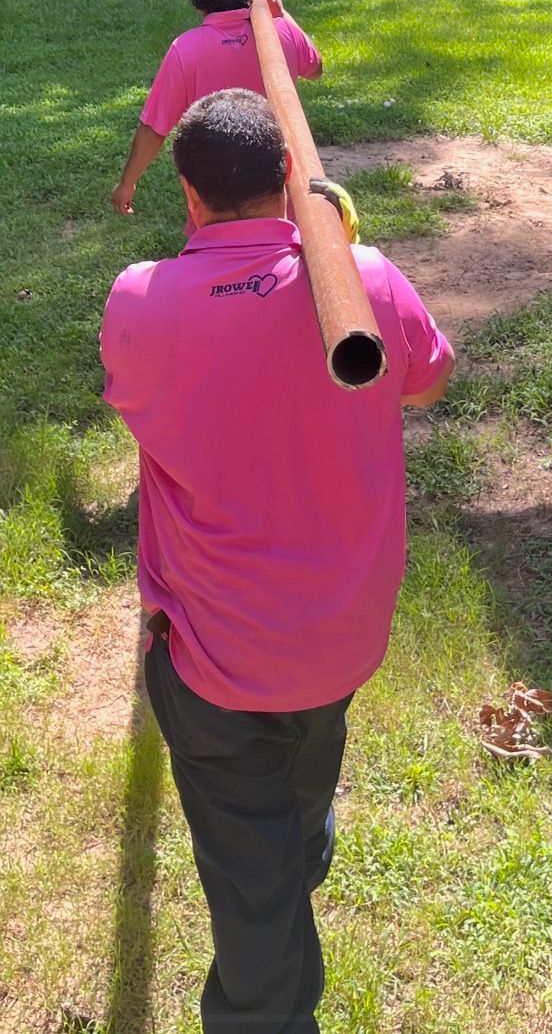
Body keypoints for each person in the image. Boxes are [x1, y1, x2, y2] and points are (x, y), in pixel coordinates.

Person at [100, 89, 454, 1034]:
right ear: (292, 176)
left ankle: (264, 1000)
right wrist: (339, 249)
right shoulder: (367, 280)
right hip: (341, 639)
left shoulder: (140, 301)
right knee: (296, 804)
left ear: (188, 193)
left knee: (256, 894)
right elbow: (428, 383)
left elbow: (136, 396)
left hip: (213, 660)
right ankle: (289, 879)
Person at [111, 0, 322, 220]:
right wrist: (282, 14)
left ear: (198, 2)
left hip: (215, 192)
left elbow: (154, 127)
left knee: (218, 246)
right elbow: (315, 68)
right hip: (277, 179)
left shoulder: (185, 49)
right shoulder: (280, 31)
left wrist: (127, 183)